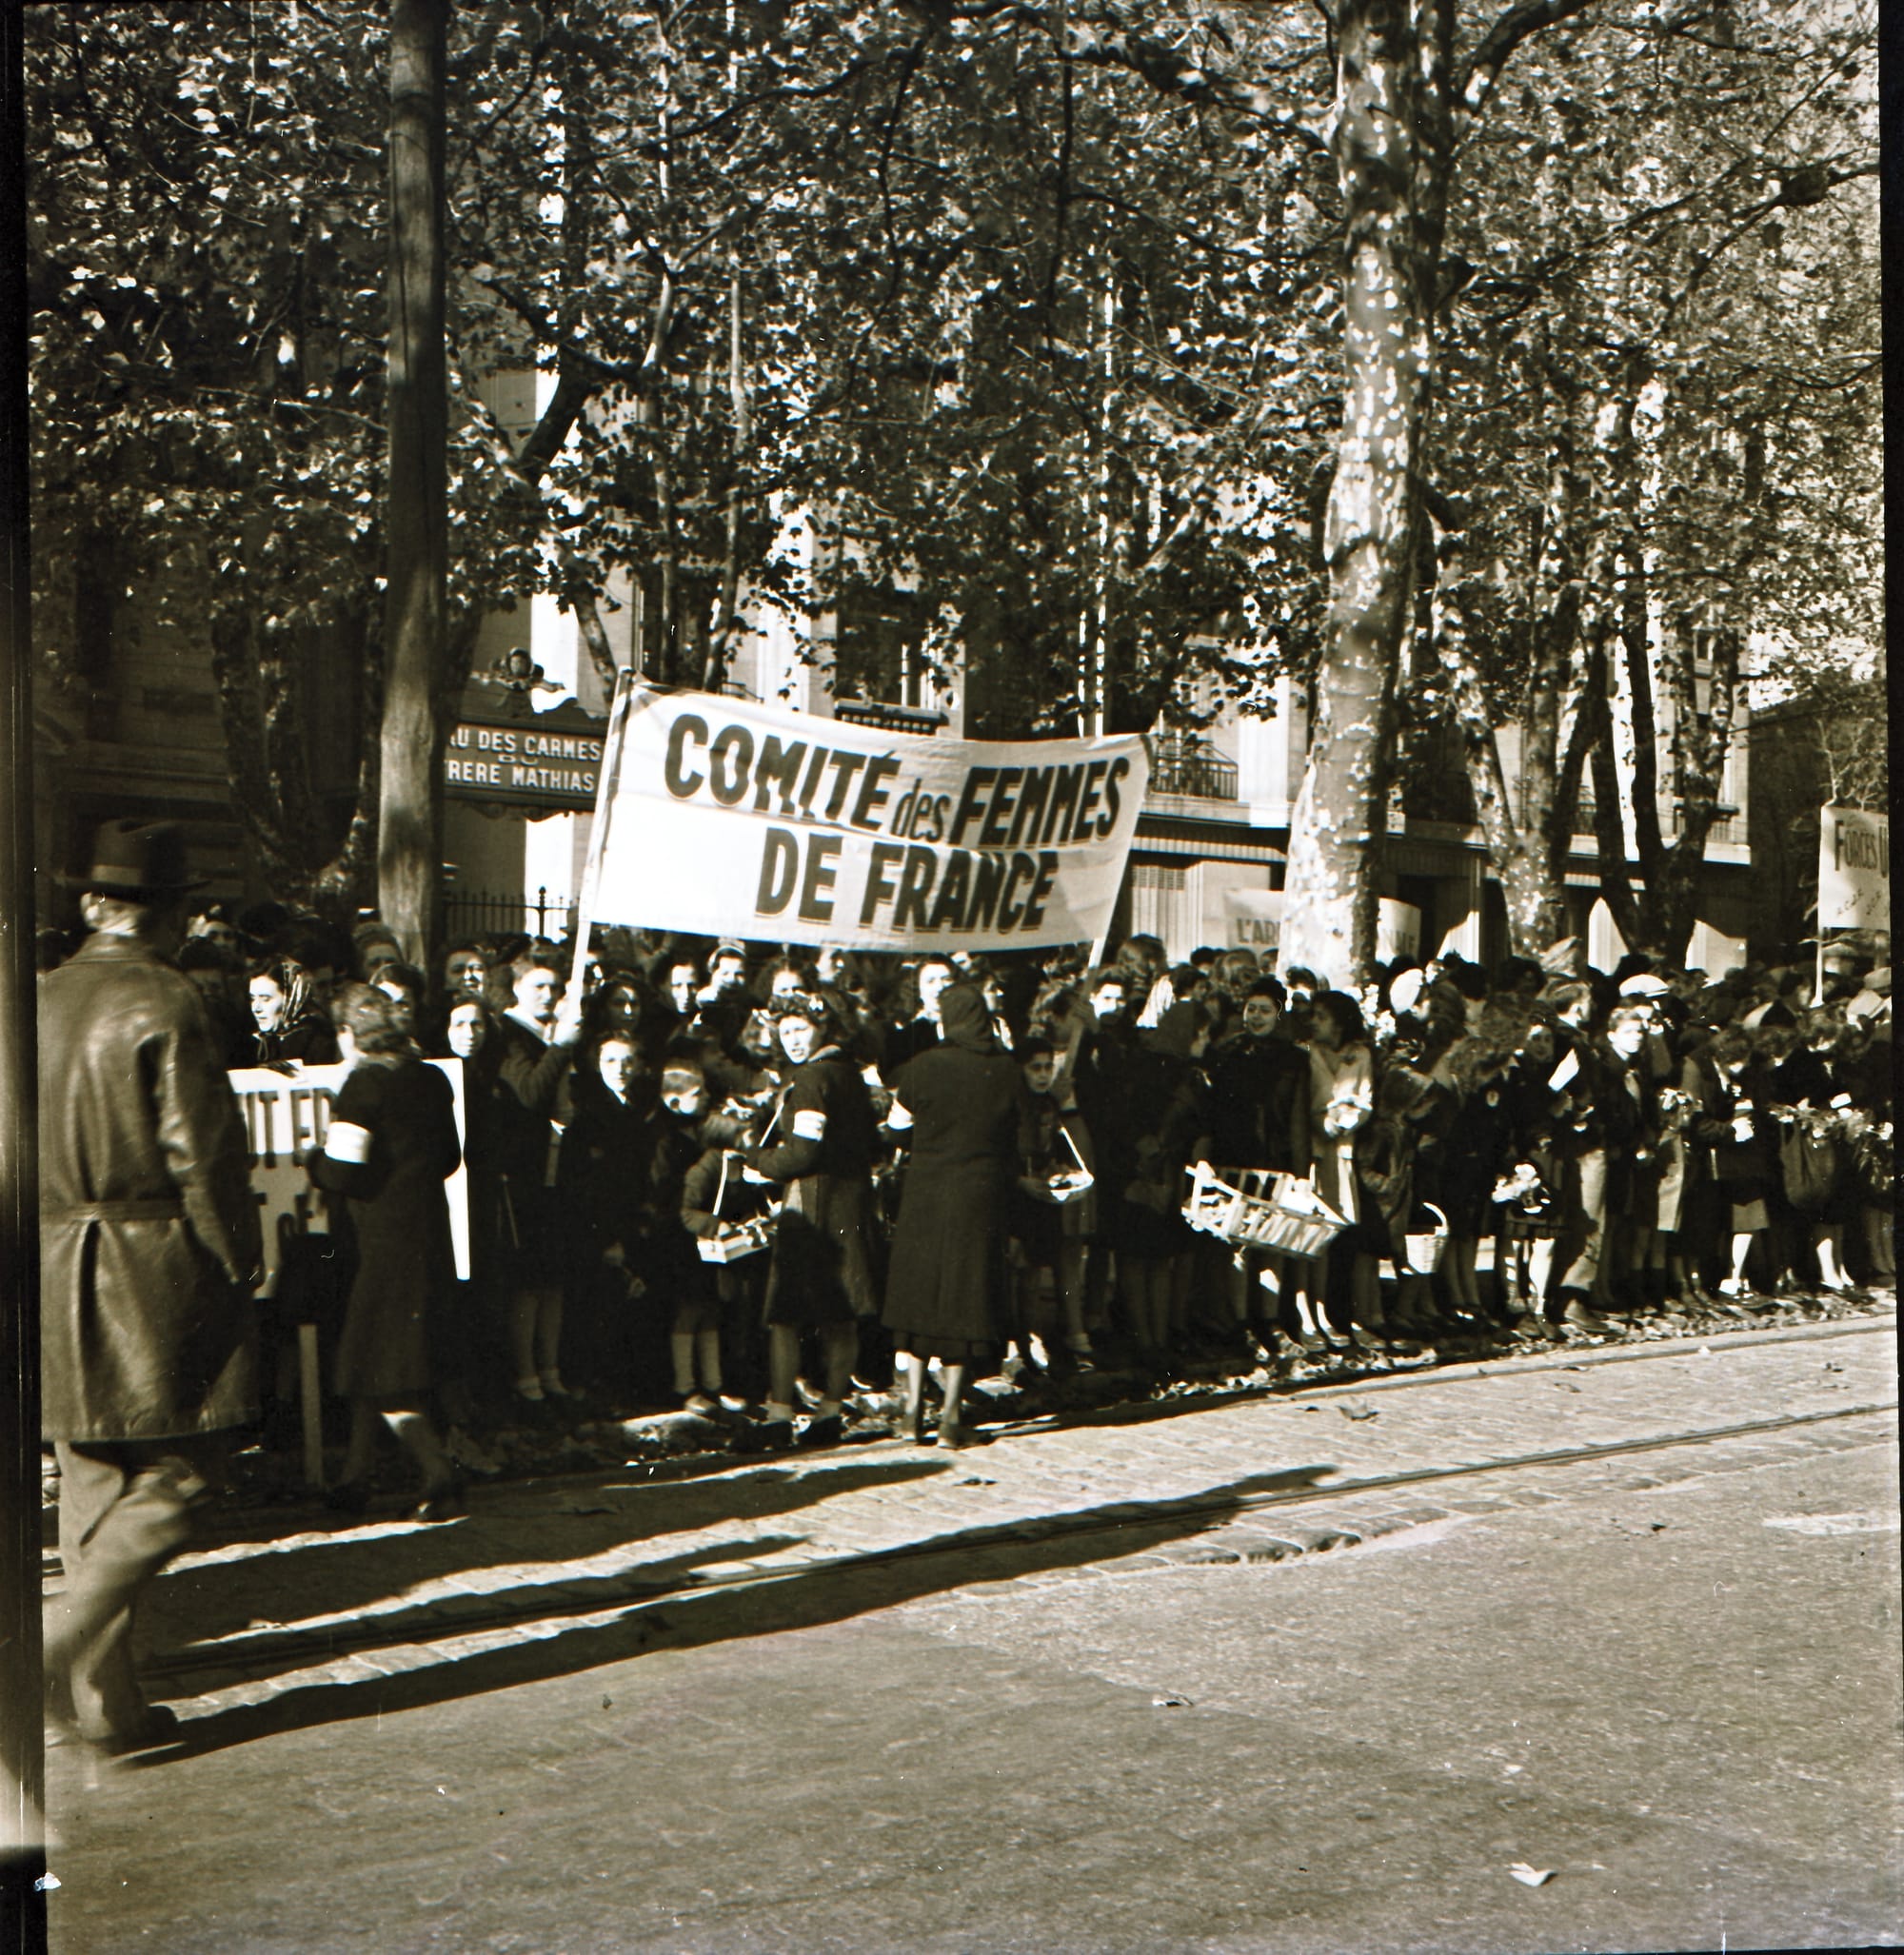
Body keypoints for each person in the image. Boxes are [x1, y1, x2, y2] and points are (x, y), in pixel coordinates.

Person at [40, 820, 264, 1756]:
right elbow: (202, 1154)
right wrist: (242, 1257)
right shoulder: (166, 1000)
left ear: (94, 905)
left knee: (92, 1479)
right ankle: (48, 1649)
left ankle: (108, 1712)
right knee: (183, 1470)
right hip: (150, 1264)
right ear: (164, 913)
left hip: (52, 1260)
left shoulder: (33, 998)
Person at [307, 984, 463, 1518]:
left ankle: (438, 1472)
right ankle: (354, 1478)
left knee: (378, 1362)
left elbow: (344, 1172)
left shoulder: (363, 1085)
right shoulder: (432, 1078)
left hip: (376, 1243)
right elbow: (449, 1158)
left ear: (350, 1035)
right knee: (376, 1358)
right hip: (428, 1234)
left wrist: (314, 1161)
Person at [883, 981, 1033, 1446]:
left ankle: (910, 1413)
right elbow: (1021, 1137)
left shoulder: (922, 1067)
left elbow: (894, 1129)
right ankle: (950, 1417)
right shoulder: (1007, 1070)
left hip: (926, 1193)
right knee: (964, 1299)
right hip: (980, 1196)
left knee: (918, 1298)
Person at [743, 992, 881, 1447]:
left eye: (801, 1029)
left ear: (822, 1028)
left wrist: (759, 1161)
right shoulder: (852, 1075)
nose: (793, 1040)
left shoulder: (811, 1079)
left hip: (814, 1205)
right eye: (785, 1032)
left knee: (786, 1315)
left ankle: (779, 1415)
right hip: (852, 1204)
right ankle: (830, 1413)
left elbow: (803, 1152)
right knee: (842, 1313)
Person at [246, 957, 341, 1065]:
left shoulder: (318, 1041)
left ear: (290, 999)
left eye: (266, 999)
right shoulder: (260, 1042)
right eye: (252, 999)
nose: (256, 1008)